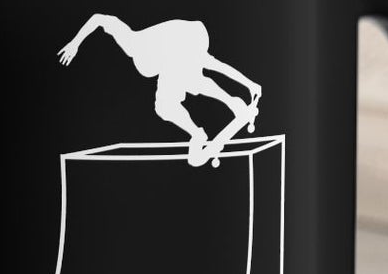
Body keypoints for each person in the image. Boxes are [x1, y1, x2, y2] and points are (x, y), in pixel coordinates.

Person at [57, 15, 262, 165]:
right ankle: (219, 113)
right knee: (173, 98)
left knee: (177, 93)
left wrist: (249, 84)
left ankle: (217, 115)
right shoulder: (132, 43)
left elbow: (215, 65)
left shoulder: (173, 50)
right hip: (188, 37)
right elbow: (99, 19)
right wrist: (75, 42)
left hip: (189, 37)